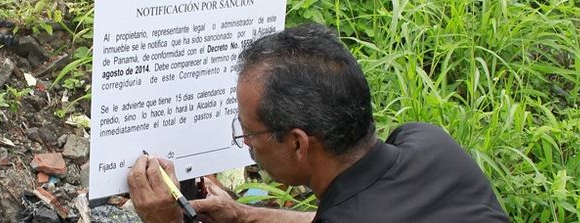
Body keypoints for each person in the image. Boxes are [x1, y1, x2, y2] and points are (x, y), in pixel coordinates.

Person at [127, 22, 510, 222]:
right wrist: (245, 216)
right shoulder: (428, 143)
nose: (246, 142)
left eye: (250, 132)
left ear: (298, 142)